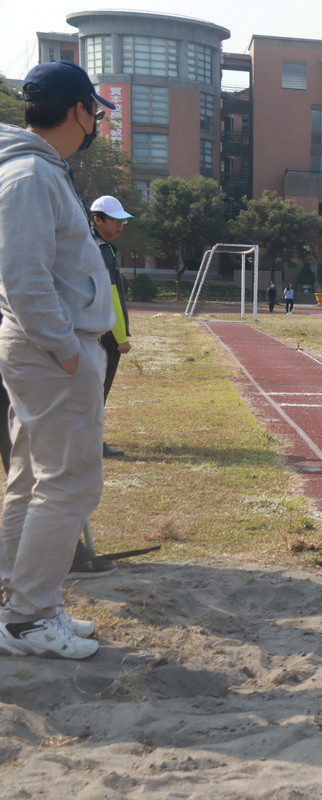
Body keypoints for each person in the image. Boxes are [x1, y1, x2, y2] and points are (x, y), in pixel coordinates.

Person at [0, 60, 117, 659]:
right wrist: (69, 352)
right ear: (78, 110)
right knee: (68, 483)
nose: (96, 121)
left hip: (45, 351)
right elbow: (24, 276)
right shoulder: (29, 176)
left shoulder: (37, 171)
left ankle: (21, 603)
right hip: (53, 352)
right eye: (95, 110)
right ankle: (29, 616)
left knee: (30, 477)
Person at [89, 195, 134, 459]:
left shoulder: (87, 243)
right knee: (98, 390)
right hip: (105, 334)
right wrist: (120, 337)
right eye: (115, 221)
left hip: (89, 329)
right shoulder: (102, 250)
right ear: (98, 220)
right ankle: (93, 443)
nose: (120, 225)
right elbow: (111, 294)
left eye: (123, 221)